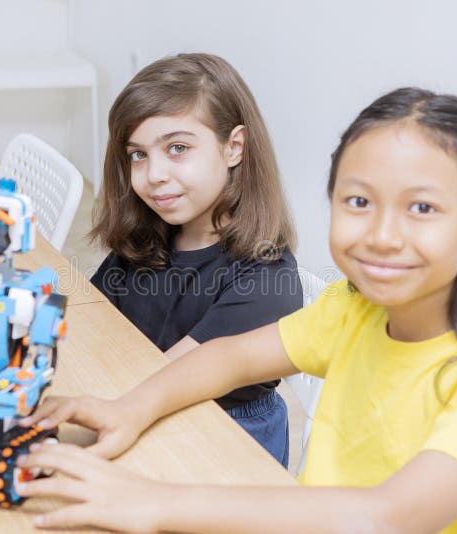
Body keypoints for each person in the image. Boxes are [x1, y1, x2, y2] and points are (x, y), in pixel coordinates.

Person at [16, 87, 457, 533]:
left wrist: (155, 504)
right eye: (358, 201)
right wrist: (130, 409)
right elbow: (229, 357)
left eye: (421, 207)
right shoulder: (353, 310)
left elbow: (383, 518)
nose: (382, 235)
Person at [87, 52, 303, 466]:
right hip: (146, 409)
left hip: (224, 437)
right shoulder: (150, 235)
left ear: (234, 147)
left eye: (178, 148)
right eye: (138, 155)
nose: (154, 175)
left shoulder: (265, 281)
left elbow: (159, 379)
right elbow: (91, 318)